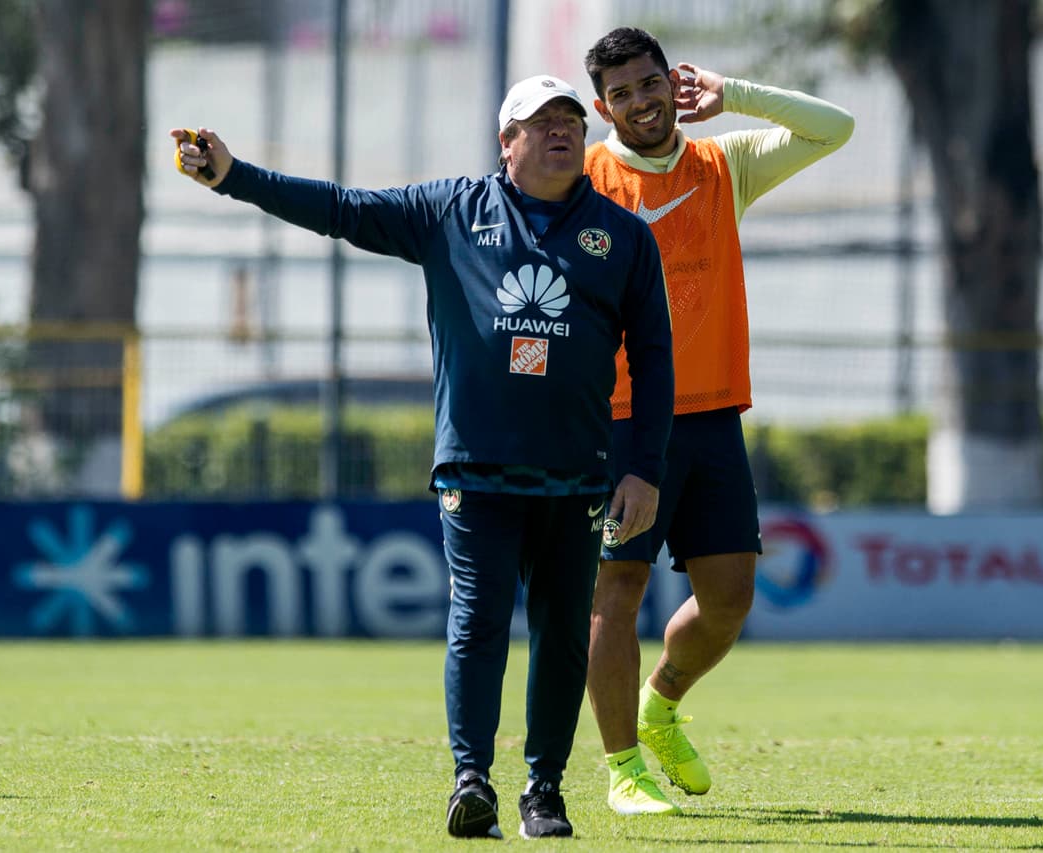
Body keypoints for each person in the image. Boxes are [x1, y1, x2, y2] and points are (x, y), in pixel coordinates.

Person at [172, 72, 675, 840]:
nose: (560, 130)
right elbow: (342, 210)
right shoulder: (449, 211)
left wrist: (644, 468)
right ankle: (471, 779)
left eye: (570, 118)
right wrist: (235, 177)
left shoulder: (625, 235)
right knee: (476, 621)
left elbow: (656, 356)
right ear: (506, 142)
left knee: (565, 631)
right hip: (475, 466)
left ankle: (545, 790)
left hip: (578, 472)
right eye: (539, 121)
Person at [580, 27, 855, 815]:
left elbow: (836, 126)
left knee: (731, 597)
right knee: (617, 590)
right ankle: (622, 768)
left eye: (650, 83)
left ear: (673, 82)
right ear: (605, 107)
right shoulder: (588, 180)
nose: (641, 102)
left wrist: (732, 92)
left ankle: (661, 707)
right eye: (623, 93)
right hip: (623, 423)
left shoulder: (721, 165)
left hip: (710, 417)